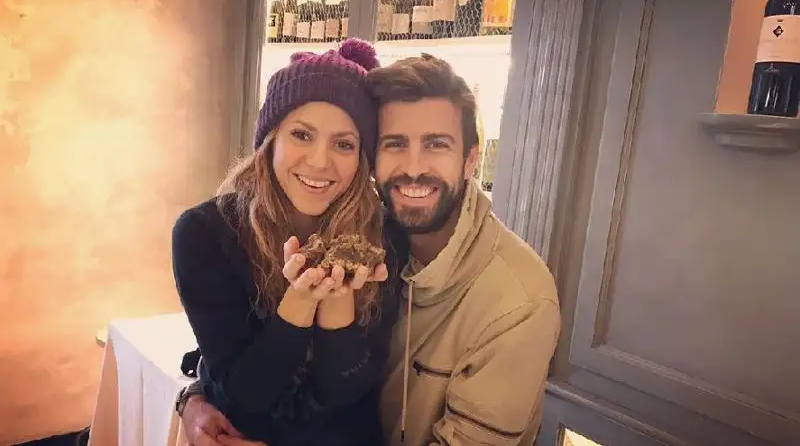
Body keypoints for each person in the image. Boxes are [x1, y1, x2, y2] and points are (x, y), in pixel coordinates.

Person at [178, 53, 561, 446]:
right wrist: (196, 395)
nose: (414, 167)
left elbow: (340, 391)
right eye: (395, 144)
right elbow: (237, 351)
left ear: (470, 160)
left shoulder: (517, 302)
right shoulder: (378, 234)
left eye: (436, 144)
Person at [170, 38, 409, 446]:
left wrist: (336, 304)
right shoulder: (205, 234)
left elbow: (346, 396)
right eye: (301, 134)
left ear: (362, 158)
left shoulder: (383, 236)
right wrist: (298, 303)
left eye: (344, 144)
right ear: (271, 140)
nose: (319, 161)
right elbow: (244, 396)